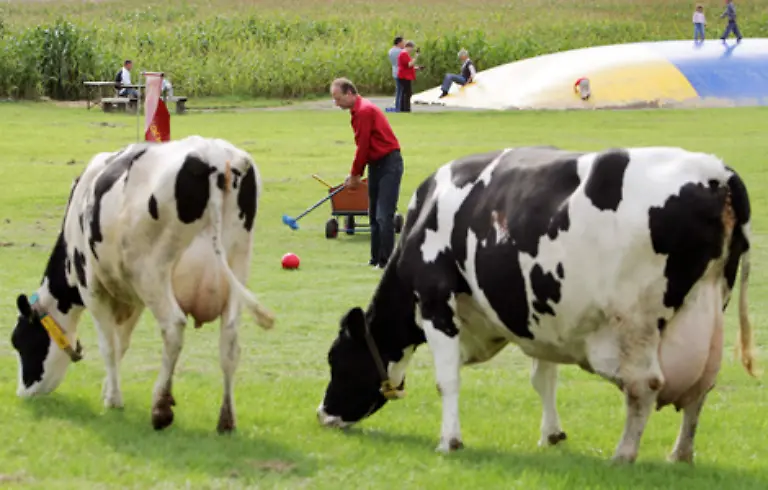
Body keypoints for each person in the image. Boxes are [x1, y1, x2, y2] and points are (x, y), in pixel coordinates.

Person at [330, 78, 404, 269]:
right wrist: (356, 173)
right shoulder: (357, 111)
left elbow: (362, 147)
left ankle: (387, 263)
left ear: (349, 93)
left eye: (338, 99)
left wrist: (354, 175)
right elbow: (363, 148)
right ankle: (375, 259)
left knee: (383, 215)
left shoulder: (364, 111)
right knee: (373, 215)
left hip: (389, 163)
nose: (336, 103)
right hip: (376, 164)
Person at [396, 41, 420, 113]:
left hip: (405, 75)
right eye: (411, 48)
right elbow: (409, 64)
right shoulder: (404, 54)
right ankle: (405, 108)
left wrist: (416, 68)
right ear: (408, 47)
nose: (411, 50)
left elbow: (406, 66)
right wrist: (416, 56)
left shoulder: (405, 54)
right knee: (407, 93)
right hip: (404, 76)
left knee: (406, 92)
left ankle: (404, 108)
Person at [388, 36, 405, 111]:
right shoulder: (400, 52)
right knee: (402, 91)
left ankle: (397, 106)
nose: (404, 44)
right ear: (399, 43)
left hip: (394, 71)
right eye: (403, 42)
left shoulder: (391, 51)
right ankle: (400, 106)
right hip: (401, 72)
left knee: (398, 90)